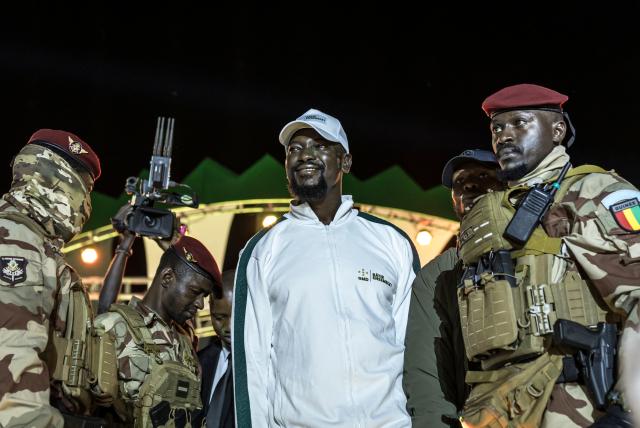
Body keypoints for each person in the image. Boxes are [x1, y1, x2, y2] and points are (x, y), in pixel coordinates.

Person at [456, 83, 640, 427]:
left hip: (575, 407)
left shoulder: (591, 192)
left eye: (520, 123)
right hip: (505, 405)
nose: (505, 136)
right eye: (497, 128)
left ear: (557, 130)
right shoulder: (496, 210)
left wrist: (626, 410)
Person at [232, 108, 419, 427]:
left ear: (345, 161)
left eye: (319, 146)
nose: (305, 155)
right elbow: (252, 360)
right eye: (295, 149)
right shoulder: (264, 249)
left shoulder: (391, 242)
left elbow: (413, 348)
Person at [0, 129, 102, 427]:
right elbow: (11, 376)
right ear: (61, 182)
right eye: (86, 188)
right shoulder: (18, 243)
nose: (85, 205)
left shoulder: (31, 242)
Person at [404, 149, 505, 427]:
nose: (470, 185)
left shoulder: (537, 250)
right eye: (460, 181)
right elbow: (427, 377)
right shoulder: (438, 275)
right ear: (453, 201)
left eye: (484, 176)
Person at [93, 235, 221, 427]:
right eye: (195, 292)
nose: (200, 304)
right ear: (167, 278)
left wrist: (173, 242)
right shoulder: (113, 326)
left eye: (204, 296)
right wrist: (124, 246)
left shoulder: (184, 340)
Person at [194, 269, 235, 428]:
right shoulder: (201, 361)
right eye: (219, 318)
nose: (228, 327)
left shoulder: (265, 363)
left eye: (235, 316)